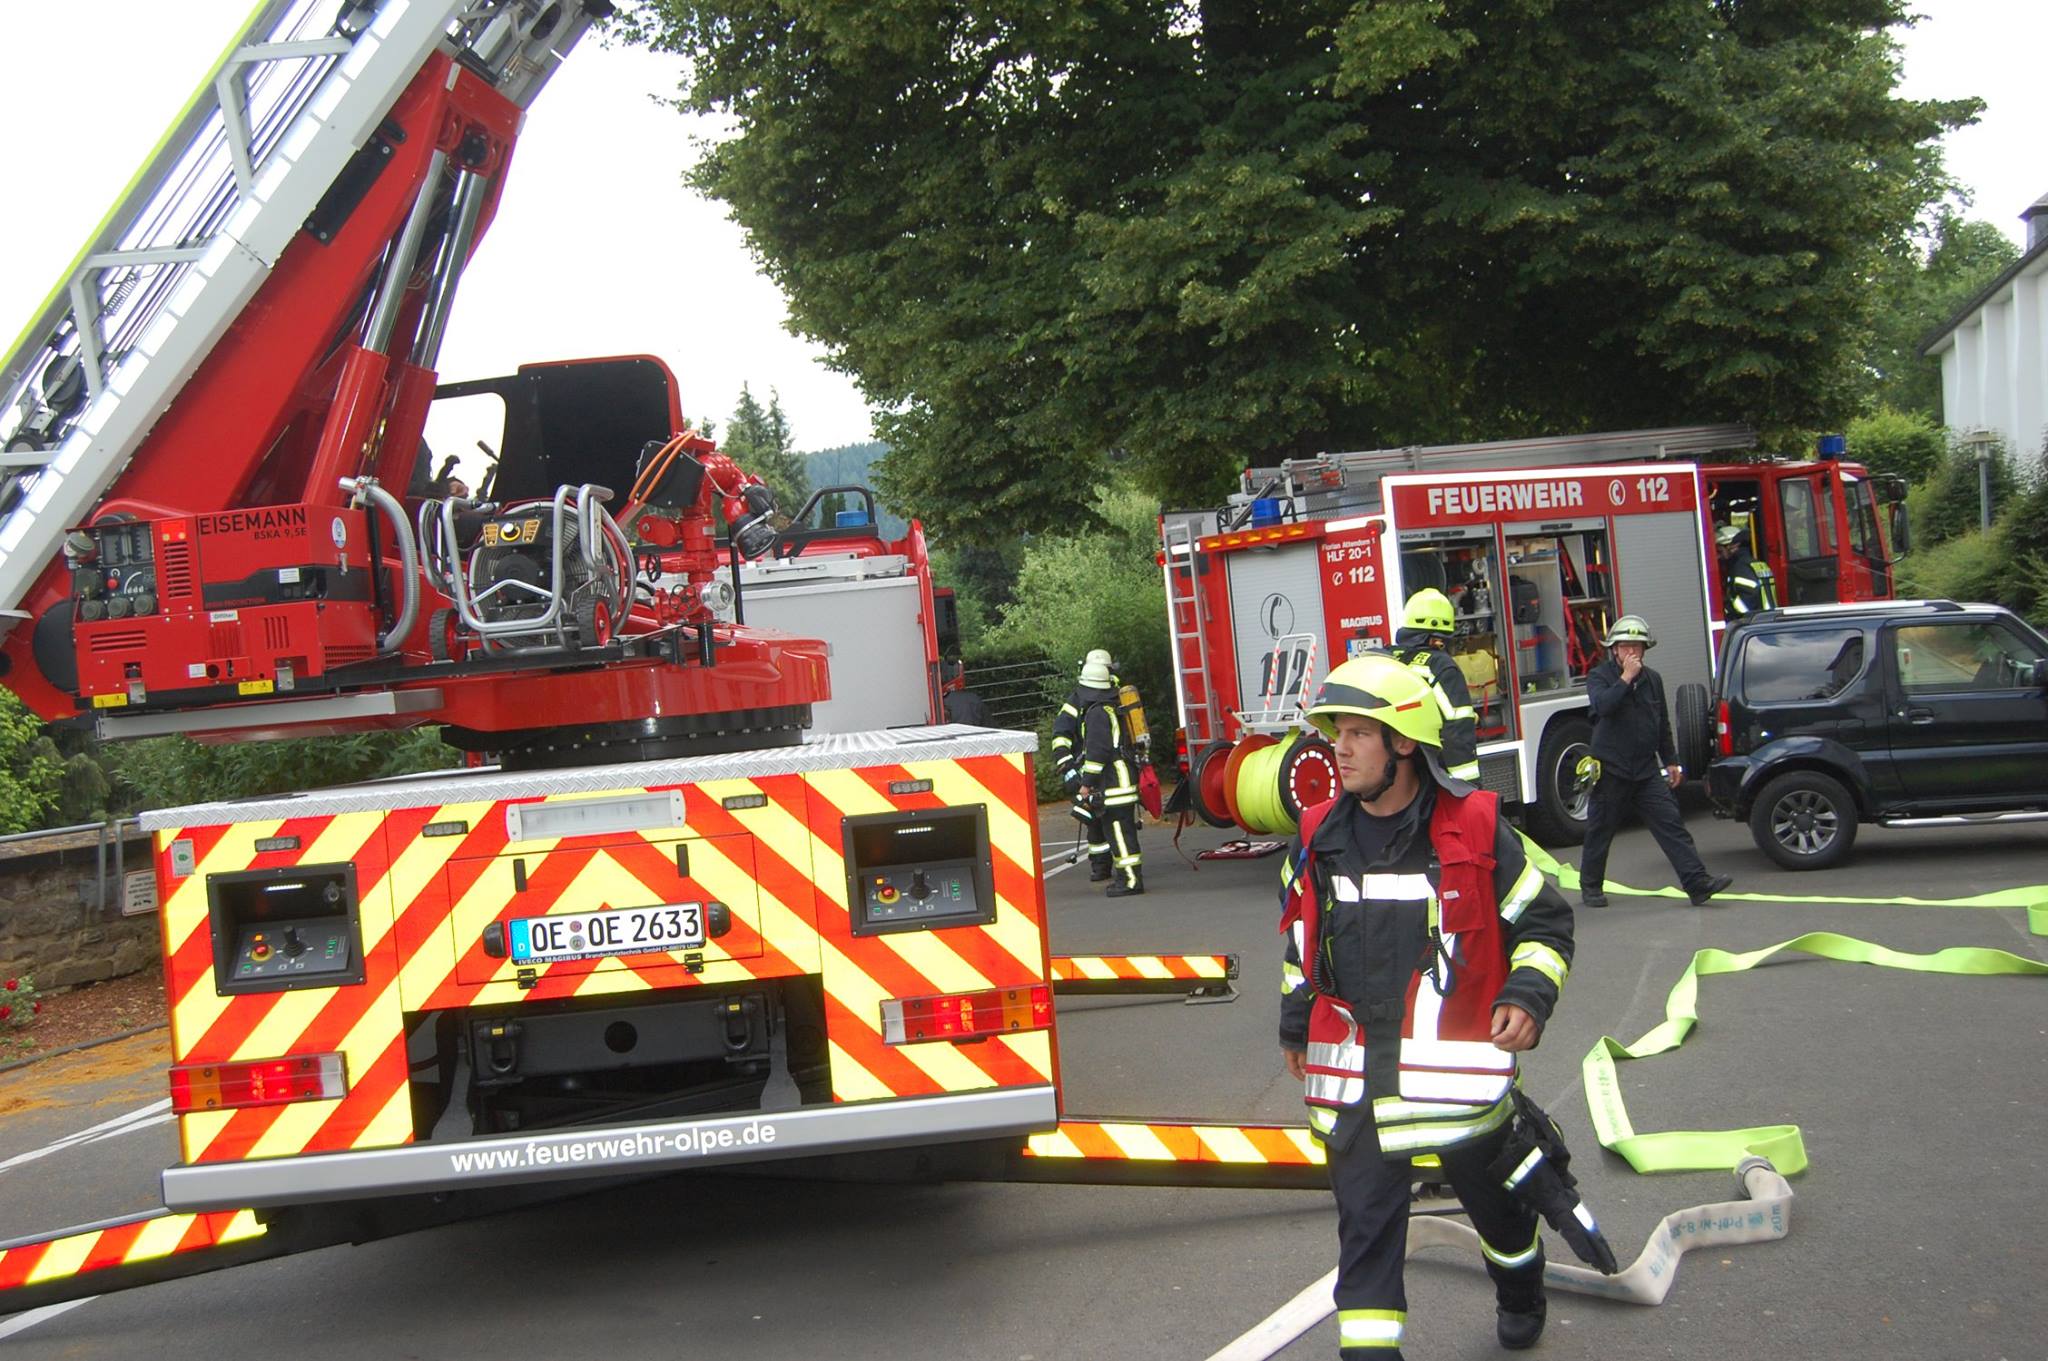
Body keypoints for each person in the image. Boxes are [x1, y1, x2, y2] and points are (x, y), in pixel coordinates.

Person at [1280, 652, 1581, 1357]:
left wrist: (1528, 994)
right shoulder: (1318, 835)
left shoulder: (1475, 829)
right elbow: (1300, 937)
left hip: (1459, 1090)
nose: (1339, 749)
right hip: (1357, 1091)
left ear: (1404, 743)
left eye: (1358, 733)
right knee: (1365, 1254)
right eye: (1335, 733)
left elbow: (1545, 922)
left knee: (1503, 1219)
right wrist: (1296, 1020)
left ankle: (1520, 1285)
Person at [1578, 615, 1733, 908]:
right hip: (1611, 769)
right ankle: (1591, 888)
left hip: (1646, 770)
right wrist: (1625, 679)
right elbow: (1602, 707)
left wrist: (1672, 761)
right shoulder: (1600, 678)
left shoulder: (1653, 680)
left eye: (1637, 647)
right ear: (1614, 650)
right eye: (1626, 647)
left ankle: (1697, 884)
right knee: (1601, 829)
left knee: (1671, 824)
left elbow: (1661, 724)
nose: (1632, 653)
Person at [1050, 650, 1144, 895]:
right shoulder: (1110, 706)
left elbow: (1098, 753)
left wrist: (1085, 783)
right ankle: (1115, 872)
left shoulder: (1097, 713)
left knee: (1119, 833)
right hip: (1116, 778)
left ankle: (1130, 880)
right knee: (1113, 830)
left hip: (1111, 782)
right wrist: (1068, 766)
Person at [1381, 587, 1480, 781]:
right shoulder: (1440, 666)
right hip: (1430, 776)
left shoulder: (1389, 658)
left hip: (1391, 776)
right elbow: (1457, 731)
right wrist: (1469, 788)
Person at [1715, 523, 1776, 618]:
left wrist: (1725, 610)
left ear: (1732, 547)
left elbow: (1747, 600)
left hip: (1754, 622)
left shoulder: (1741, 568)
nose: (1718, 556)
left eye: (1720, 551)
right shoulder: (1757, 564)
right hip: (1767, 619)